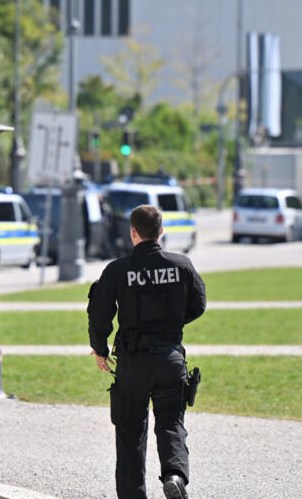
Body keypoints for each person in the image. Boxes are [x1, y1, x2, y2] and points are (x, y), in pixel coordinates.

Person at [87, 204, 207, 499]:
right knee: (170, 423)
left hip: (133, 363)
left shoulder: (118, 270)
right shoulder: (182, 265)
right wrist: (171, 324)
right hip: (170, 358)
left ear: (133, 233)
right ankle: (175, 476)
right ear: (161, 231)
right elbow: (199, 304)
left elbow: (99, 312)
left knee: (130, 433)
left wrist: (100, 349)